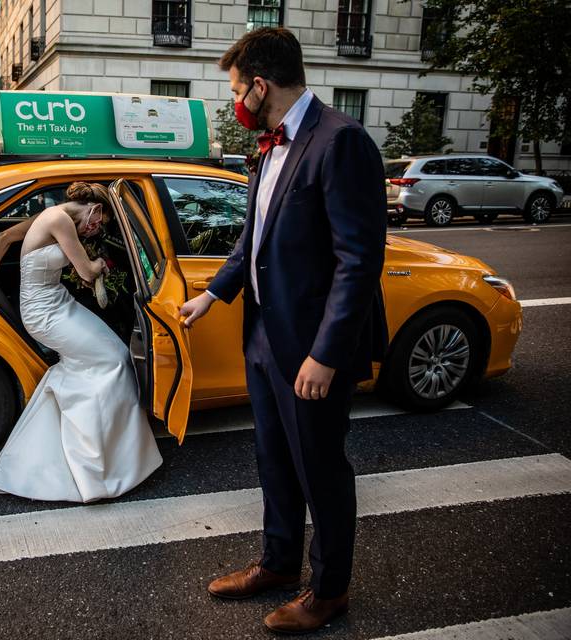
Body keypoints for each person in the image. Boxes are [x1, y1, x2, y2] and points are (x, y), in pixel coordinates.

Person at [179, 28, 387, 635]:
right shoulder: (271, 146)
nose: (237, 102)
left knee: (320, 468)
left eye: (238, 90)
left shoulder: (340, 141)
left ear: (260, 85)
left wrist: (326, 354)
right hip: (265, 337)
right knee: (274, 460)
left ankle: (330, 591)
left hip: (312, 348)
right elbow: (256, 236)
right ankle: (277, 562)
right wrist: (214, 293)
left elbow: (359, 260)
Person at [0, 181, 162, 503]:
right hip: (45, 313)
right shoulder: (60, 220)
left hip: (57, 303)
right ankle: (94, 456)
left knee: (114, 356)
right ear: (95, 208)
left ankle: (98, 442)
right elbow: (86, 269)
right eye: (100, 222)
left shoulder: (51, 215)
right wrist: (99, 265)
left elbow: (4, 238)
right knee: (111, 361)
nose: (95, 229)